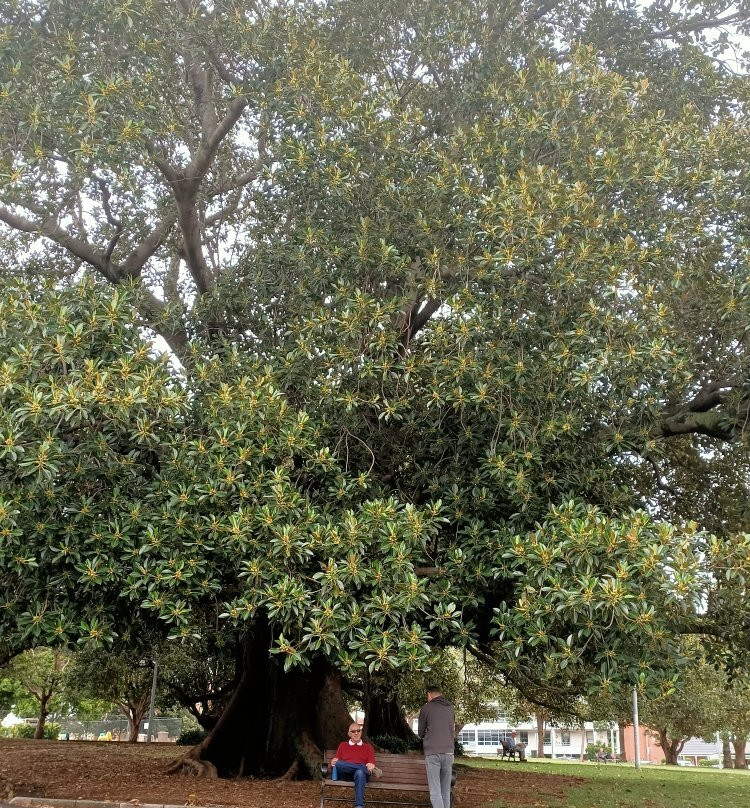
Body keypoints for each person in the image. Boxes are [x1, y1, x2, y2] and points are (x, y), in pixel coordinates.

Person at [418, 686, 455, 808]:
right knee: (445, 790)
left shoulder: (426, 708)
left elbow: (420, 732)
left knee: (435, 791)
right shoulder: (450, 708)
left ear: (429, 694)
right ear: (441, 694)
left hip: (433, 752)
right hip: (449, 752)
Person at [330, 723, 382, 808]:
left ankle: (359, 805)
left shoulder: (368, 747)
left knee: (360, 772)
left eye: (358, 731)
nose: (356, 733)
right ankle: (362, 767)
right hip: (346, 774)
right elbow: (337, 763)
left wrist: (370, 765)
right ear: (349, 734)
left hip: (361, 776)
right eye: (353, 731)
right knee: (338, 763)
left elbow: (371, 763)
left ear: (361, 732)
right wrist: (333, 762)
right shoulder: (343, 745)